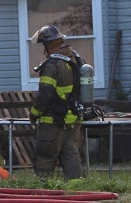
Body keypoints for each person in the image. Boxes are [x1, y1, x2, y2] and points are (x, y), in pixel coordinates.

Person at [28, 25, 85, 180]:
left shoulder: (53, 65)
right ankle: (77, 193)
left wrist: (33, 114)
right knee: (72, 157)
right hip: (73, 122)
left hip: (52, 123)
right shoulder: (76, 59)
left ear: (48, 45)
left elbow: (45, 94)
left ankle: (45, 191)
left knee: (45, 159)